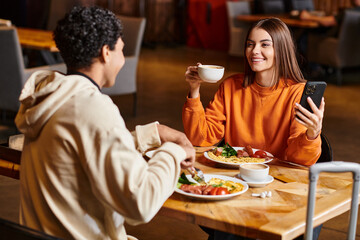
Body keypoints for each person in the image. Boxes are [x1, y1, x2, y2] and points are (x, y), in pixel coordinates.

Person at [15, 6, 195, 240]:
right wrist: (174, 152)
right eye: (121, 50)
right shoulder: (93, 107)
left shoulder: (51, 96)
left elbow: (83, 146)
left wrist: (152, 134)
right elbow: (140, 203)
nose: (122, 59)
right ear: (105, 53)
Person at [182, 17, 324, 240]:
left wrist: (312, 134)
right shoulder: (231, 86)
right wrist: (194, 90)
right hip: (239, 184)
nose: (255, 51)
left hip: (281, 190)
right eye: (250, 44)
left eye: (265, 44)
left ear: (282, 49)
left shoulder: (298, 93)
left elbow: (300, 159)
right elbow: (202, 138)